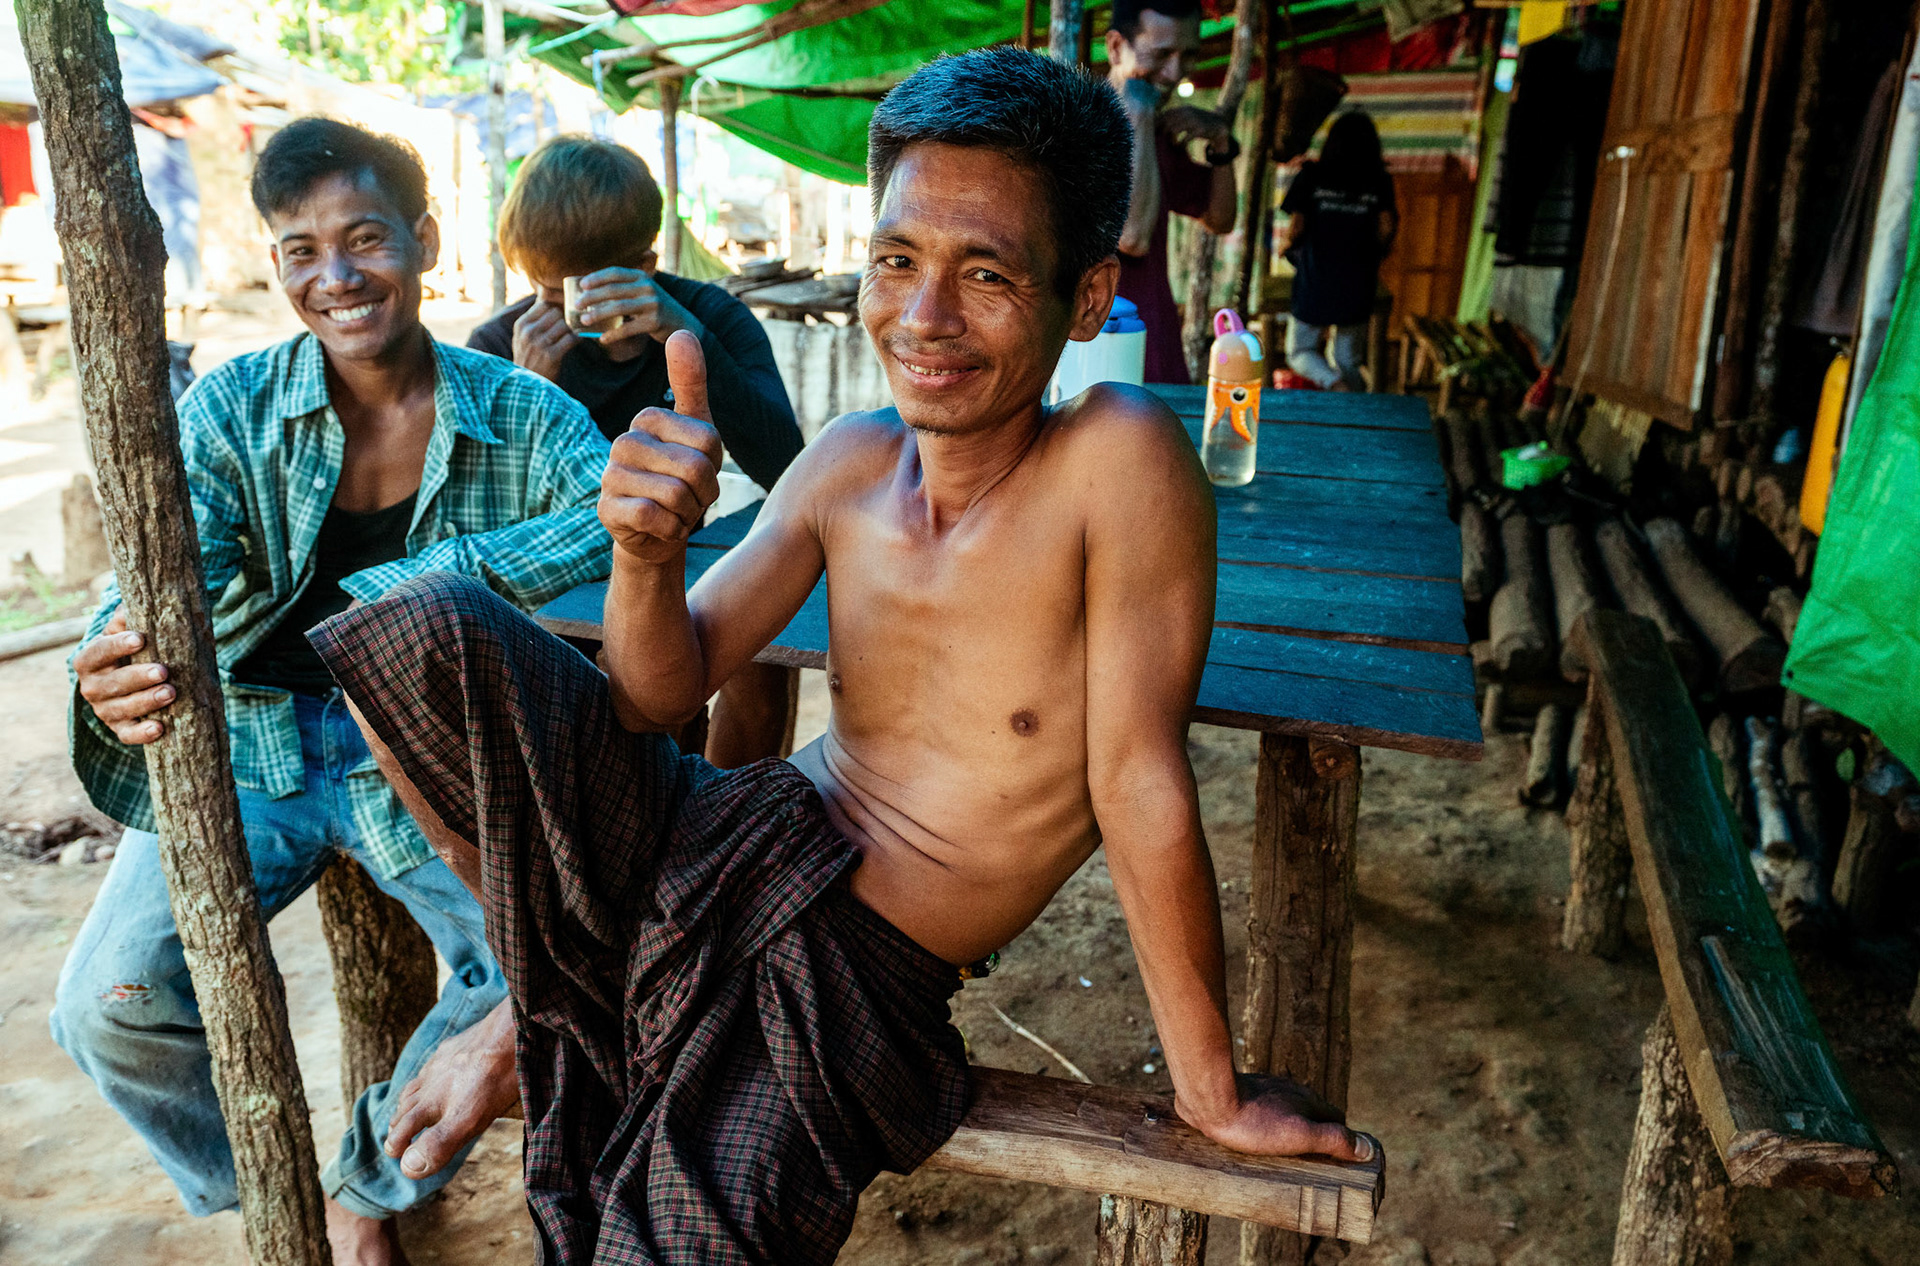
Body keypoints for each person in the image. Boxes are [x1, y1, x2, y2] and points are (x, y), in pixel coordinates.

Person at [312, 48, 1371, 1266]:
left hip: (852, 971)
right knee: (419, 630)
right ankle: (549, 985)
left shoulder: (1117, 460)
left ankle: (554, 998)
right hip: (722, 834)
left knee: (668, 1249)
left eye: (985, 275)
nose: (924, 319)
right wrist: (645, 557)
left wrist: (1210, 1089)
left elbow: (1138, 778)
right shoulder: (851, 462)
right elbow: (661, 698)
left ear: (1085, 300)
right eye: (897, 262)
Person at [53, 118, 614, 1266]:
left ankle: (366, 1192)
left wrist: (412, 588)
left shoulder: (524, 412)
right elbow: (163, 579)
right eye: (303, 250)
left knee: (535, 979)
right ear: (277, 267)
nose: (338, 275)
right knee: (106, 1008)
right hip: (246, 744)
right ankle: (283, 1211)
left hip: (417, 753)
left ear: (424, 240)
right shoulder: (229, 406)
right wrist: (109, 655)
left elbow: (621, 517)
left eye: (365, 239)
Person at [468, 134, 805, 767]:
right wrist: (533, 397)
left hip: (682, 564)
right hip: (560, 583)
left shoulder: (708, 316)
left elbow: (786, 464)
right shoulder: (503, 344)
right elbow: (485, 523)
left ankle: (732, 821)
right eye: (546, 293)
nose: (566, 314)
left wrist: (685, 334)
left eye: (589, 293)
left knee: (763, 657)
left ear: (644, 266)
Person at [1107, 0, 1238, 384]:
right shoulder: (1081, 126)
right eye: (1162, 53)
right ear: (1116, 48)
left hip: (1158, 348)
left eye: (1189, 55)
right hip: (1098, 353)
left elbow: (1220, 218)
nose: (1175, 72)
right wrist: (1140, 114)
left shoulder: (1159, 136)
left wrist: (1221, 143)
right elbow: (1131, 236)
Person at [1279, 110, 1398, 391]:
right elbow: (1386, 226)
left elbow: (1296, 228)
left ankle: (1334, 384)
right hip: (1358, 280)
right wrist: (1371, 254)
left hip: (1315, 278)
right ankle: (1352, 404)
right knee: (1346, 357)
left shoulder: (1311, 175)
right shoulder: (1379, 180)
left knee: (1299, 353)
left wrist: (1287, 246)